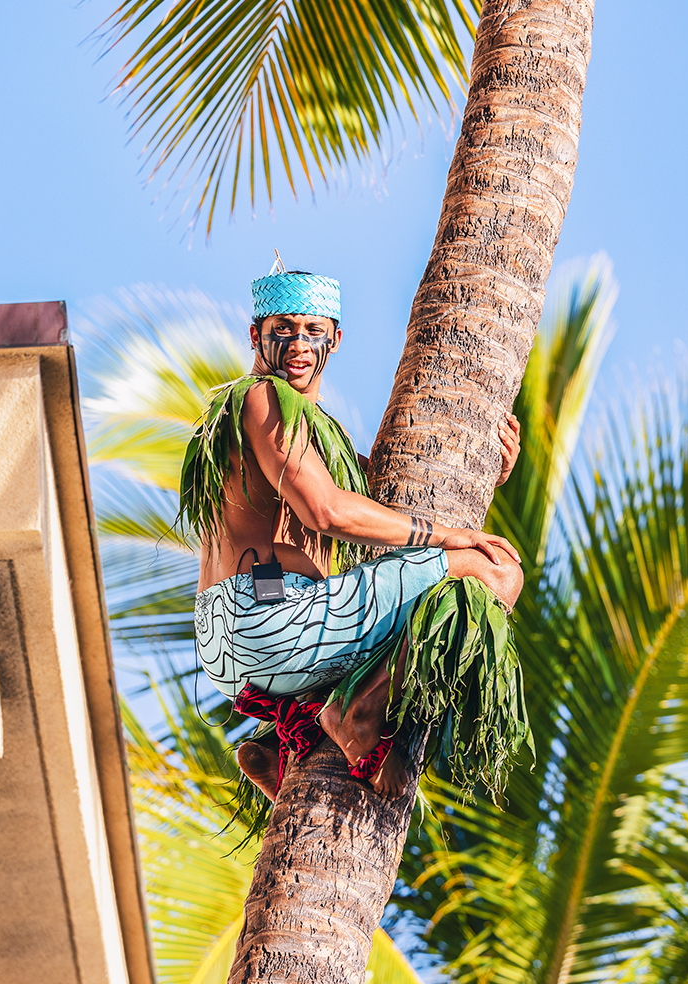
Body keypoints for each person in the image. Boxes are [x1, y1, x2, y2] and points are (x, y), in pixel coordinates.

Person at [182, 261, 523, 799]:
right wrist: (447, 539)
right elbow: (328, 511)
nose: (298, 344)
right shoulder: (260, 399)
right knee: (494, 570)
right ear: (256, 335)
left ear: (335, 339)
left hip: (236, 644)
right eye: (282, 329)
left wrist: (486, 470)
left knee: (412, 581)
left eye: (312, 330)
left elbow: (383, 504)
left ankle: (279, 741)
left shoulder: (318, 435)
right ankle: (356, 711)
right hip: (264, 621)